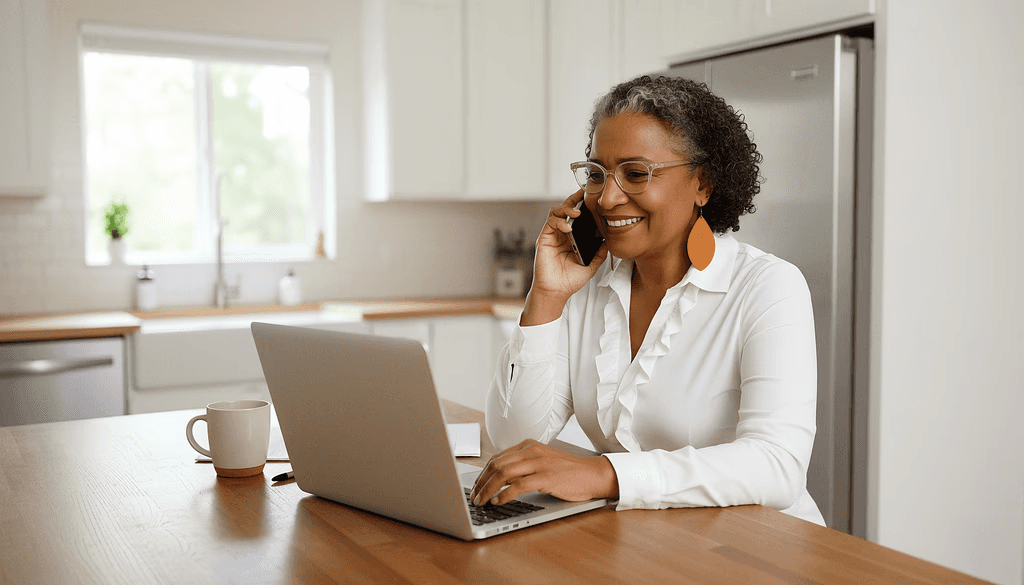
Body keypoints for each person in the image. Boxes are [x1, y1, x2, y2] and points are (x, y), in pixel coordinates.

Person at [469, 75, 825, 526]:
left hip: (759, 550)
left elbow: (777, 466)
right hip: (648, 543)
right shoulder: (588, 286)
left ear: (703, 184)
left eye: (636, 174)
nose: (608, 198)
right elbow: (513, 439)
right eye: (597, 175)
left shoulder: (768, 288)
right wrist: (546, 296)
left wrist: (607, 474)